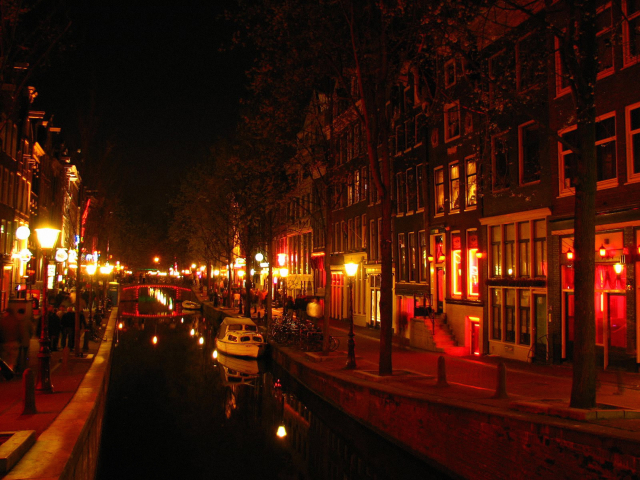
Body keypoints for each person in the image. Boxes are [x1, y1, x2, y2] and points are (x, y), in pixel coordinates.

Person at [0, 308, 20, 373]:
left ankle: (5, 373)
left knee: (5, 360)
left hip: (5, 343)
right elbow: (20, 332)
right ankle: (11, 371)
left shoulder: (3, 321)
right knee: (12, 360)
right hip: (14, 343)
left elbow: (1, 331)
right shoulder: (16, 320)